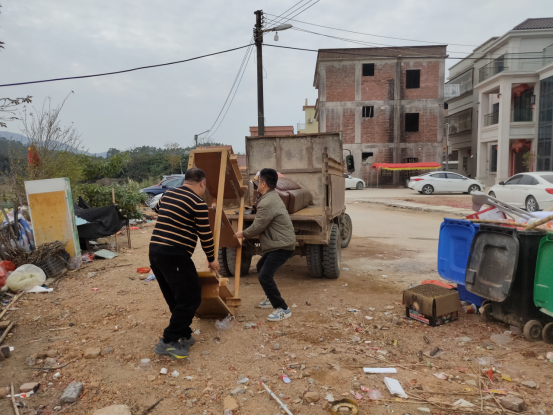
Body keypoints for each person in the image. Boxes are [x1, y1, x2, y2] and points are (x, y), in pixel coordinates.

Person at [149, 168, 220, 359]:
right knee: (191, 298)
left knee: (175, 297)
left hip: (155, 251)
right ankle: (168, 341)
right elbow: (205, 234)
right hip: (175, 254)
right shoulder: (198, 203)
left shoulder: (168, 194)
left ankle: (184, 334)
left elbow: (157, 208)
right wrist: (212, 259)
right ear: (202, 183)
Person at [234, 168, 296, 321]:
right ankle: (270, 298)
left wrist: (242, 234)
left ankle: (283, 308)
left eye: (258, 181)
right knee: (261, 267)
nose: (256, 184)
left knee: (264, 275)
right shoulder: (271, 196)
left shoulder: (267, 202)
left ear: (263, 183)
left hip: (281, 245)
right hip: (279, 243)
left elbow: (258, 226)